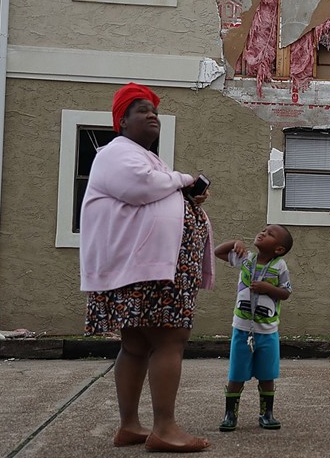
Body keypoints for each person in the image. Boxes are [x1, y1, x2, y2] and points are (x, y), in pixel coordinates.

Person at [79, 82, 214, 453]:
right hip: (148, 268)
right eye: (141, 110)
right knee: (170, 339)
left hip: (145, 267)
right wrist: (184, 180)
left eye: (154, 110)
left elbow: (153, 189)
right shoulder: (117, 153)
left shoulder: (144, 156)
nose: (152, 114)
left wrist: (184, 195)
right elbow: (140, 187)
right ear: (121, 121)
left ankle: (130, 427)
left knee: (136, 343)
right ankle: (165, 429)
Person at [214, 224, 294, 432]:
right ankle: (230, 414)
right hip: (242, 329)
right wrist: (234, 243)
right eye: (263, 230)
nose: (262, 233)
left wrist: (268, 288)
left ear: (279, 249)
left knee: (267, 375)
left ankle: (267, 414)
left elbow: (285, 293)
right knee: (236, 375)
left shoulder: (280, 266)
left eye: (270, 234)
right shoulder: (246, 259)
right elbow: (218, 252)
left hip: (267, 331)